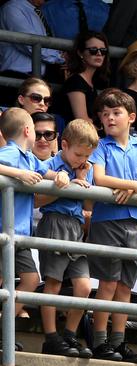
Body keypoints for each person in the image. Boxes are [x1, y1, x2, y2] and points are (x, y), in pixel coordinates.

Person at [88, 89, 137, 362]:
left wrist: (136, 187)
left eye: (116, 113)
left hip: (134, 222)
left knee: (125, 285)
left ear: (131, 117)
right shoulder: (100, 146)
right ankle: (100, 340)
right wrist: (133, 185)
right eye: (105, 114)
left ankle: (119, 341)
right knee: (108, 283)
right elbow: (100, 179)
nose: (110, 118)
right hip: (108, 221)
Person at [0, 108, 69, 343]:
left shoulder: (29, 158)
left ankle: (4, 325)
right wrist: (18, 174)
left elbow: (45, 171)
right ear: (28, 130)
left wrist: (62, 176)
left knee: (30, 279)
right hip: (3, 232)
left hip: (19, 235)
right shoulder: (10, 153)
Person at [34, 119, 98, 358]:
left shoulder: (84, 167)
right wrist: (61, 186)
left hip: (77, 227)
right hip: (55, 223)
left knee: (83, 285)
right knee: (54, 282)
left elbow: (89, 203)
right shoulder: (49, 165)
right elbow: (37, 200)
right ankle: (50, 337)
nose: (82, 159)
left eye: (86, 156)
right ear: (64, 144)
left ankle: (69, 334)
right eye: (78, 154)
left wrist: (82, 176)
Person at [0, 0, 64, 106]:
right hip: (16, 75)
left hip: (38, 77)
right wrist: (60, 57)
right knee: (14, 118)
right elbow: (28, 44)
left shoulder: (37, 11)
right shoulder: (13, 7)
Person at [56, 31, 110, 125]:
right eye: (93, 50)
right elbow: (82, 121)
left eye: (103, 50)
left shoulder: (91, 82)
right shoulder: (75, 82)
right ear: (80, 53)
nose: (99, 54)